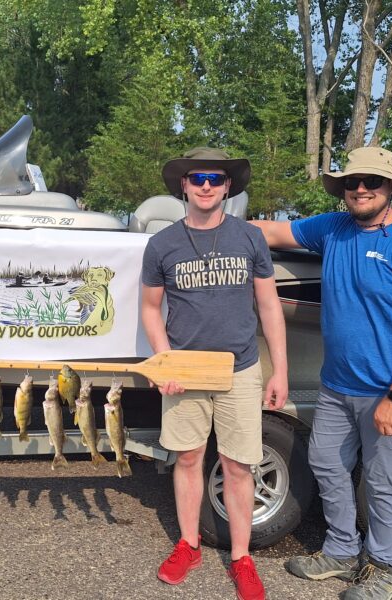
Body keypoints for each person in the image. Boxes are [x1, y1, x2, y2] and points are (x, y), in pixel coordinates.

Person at [252, 147, 392, 600]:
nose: (360, 189)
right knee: (325, 463)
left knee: (384, 482)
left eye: (371, 182)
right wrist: (206, 224)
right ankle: (342, 550)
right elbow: (271, 230)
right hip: (337, 386)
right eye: (351, 182)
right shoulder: (333, 228)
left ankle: (385, 567)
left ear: (391, 189)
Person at [141, 147, 288, 600]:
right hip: (184, 370)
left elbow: (268, 305)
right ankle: (189, 544)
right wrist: (164, 362)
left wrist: (277, 370)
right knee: (187, 459)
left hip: (240, 368)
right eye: (197, 177)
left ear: (228, 188)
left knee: (239, 465)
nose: (206, 185)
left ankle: (242, 557)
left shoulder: (249, 238)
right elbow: (149, 309)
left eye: (216, 178)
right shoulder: (162, 243)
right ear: (183, 185)